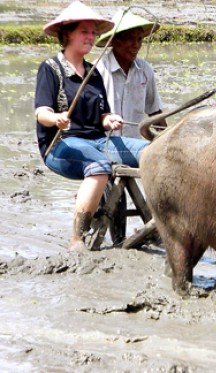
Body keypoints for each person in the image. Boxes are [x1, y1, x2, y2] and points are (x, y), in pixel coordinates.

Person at [34, 1, 149, 252]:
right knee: (99, 166)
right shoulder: (51, 69)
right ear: (67, 34)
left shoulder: (93, 72)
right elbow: (41, 113)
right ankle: (77, 237)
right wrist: (56, 119)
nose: (90, 37)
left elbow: (102, 116)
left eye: (92, 32)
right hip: (62, 145)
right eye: (84, 32)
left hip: (99, 141)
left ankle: (162, 223)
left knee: (153, 152)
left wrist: (110, 120)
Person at [95, 10, 166, 138]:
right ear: (116, 42)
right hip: (105, 143)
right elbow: (90, 116)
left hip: (135, 145)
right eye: (130, 39)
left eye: (139, 39)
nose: (136, 45)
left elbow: (154, 110)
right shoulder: (98, 70)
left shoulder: (144, 69)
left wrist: (168, 136)